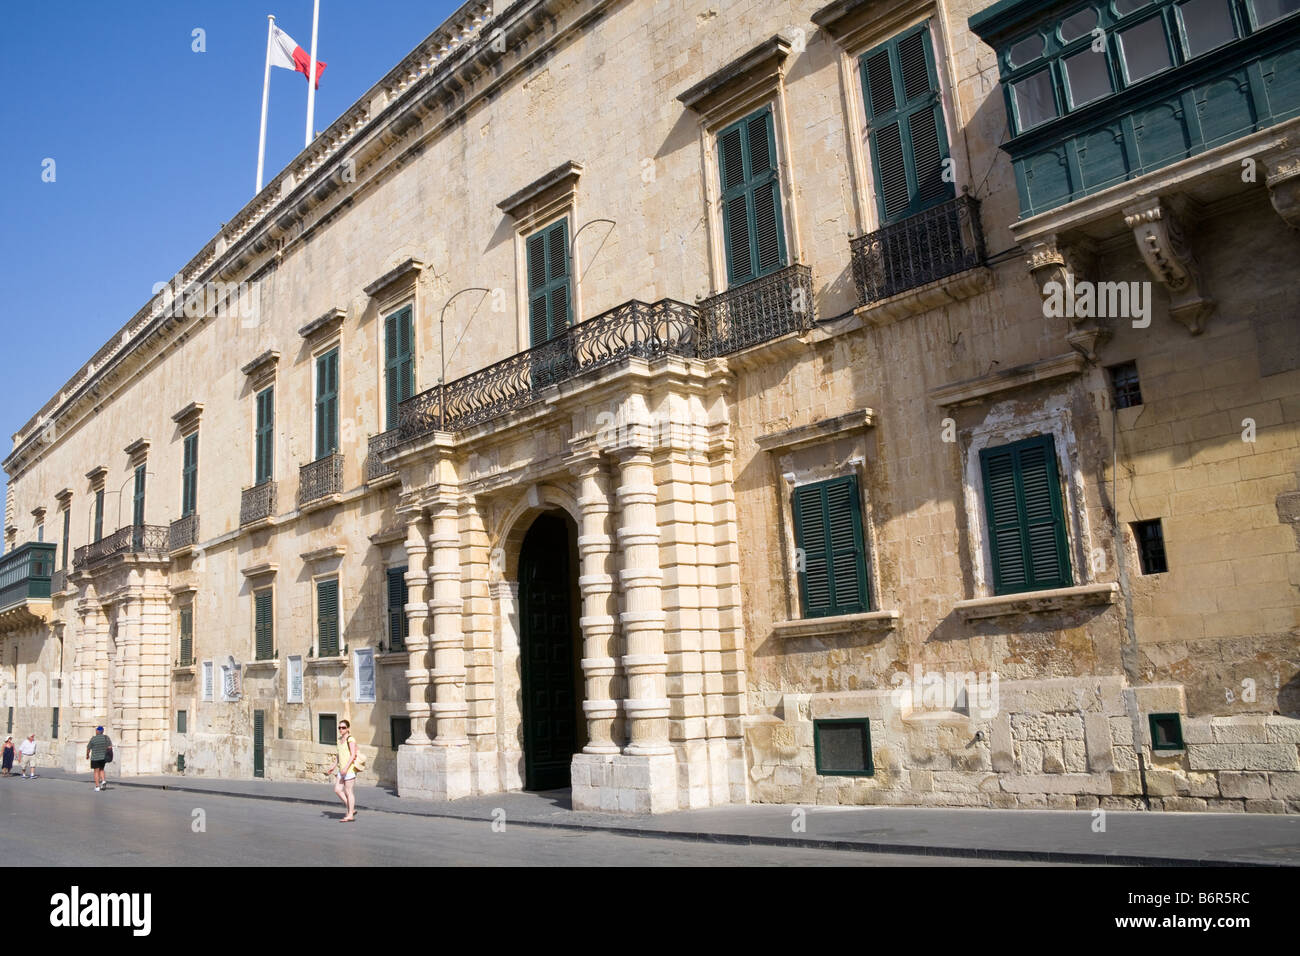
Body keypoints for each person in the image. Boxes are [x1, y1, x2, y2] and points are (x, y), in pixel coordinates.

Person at [323, 718, 359, 822]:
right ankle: (351, 809)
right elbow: (338, 756)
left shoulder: (351, 739)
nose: (341, 729)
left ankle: (350, 815)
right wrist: (333, 766)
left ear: (348, 729)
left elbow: (352, 755)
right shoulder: (339, 740)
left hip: (349, 769)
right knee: (337, 790)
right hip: (341, 769)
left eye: (343, 728)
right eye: (339, 728)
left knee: (348, 791)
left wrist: (346, 768)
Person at [87, 726, 112, 791]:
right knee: (101, 769)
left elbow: (88, 748)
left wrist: (87, 755)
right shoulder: (106, 738)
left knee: (96, 771)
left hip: (95, 758)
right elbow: (109, 747)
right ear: (102, 731)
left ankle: (97, 786)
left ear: (98, 731)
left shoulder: (93, 739)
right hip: (103, 758)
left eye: (96, 730)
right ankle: (103, 781)